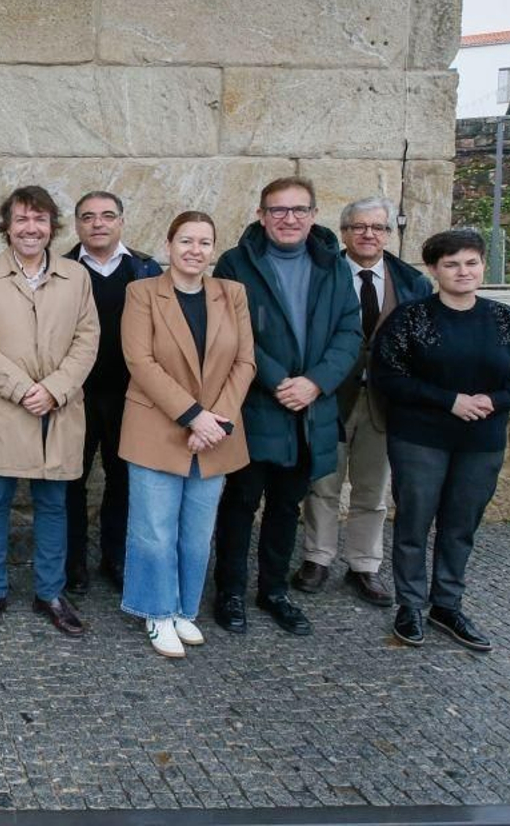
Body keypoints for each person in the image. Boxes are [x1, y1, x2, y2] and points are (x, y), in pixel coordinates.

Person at [373, 228, 510, 652]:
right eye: (451, 264)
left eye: (471, 262)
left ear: (483, 265)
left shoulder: (506, 321)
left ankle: (447, 604)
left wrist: (494, 398)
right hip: (420, 438)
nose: (462, 271)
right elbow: (387, 377)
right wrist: (449, 401)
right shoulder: (411, 319)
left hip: (481, 441)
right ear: (433, 270)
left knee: (461, 525)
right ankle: (410, 604)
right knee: (414, 521)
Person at [210, 177, 361, 637]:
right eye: (278, 210)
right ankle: (230, 591)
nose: (288, 219)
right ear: (261, 215)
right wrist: (278, 380)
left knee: (286, 506)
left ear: (314, 215)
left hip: (310, 410)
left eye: (298, 210)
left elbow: (349, 331)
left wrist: (315, 383)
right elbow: (233, 333)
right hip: (256, 404)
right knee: (239, 504)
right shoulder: (236, 263)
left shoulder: (333, 266)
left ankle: (274, 591)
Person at [0, 186, 99, 637]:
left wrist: (54, 389)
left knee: (53, 505)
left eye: (39, 220)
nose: (30, 228)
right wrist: (23, 389)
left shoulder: (76, 277)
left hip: (57, 409)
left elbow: (87, 338)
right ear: (8, 226)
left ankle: (50, 593)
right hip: (2, 408)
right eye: (21, 220)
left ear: (52, 227)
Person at [118, 212, 256, 658]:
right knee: (154, 530)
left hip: (217, 432)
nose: (195, 251)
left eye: (204, 242)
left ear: (213, 249)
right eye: (186, 241)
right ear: (169, 244)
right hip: (158, 427)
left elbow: (245, 364)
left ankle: (182, 608)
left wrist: (215, 421)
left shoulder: (231, 294)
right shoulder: (142, 293)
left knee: (197, 531)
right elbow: (140, 363)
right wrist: (193, 416)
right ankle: (156, 612)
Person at [292, 197, 432, 607]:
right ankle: (317, 557)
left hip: (385, 402)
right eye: (359, 227)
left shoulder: (411, 282)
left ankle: (364, 565)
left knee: (373, 489)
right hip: (332, 396)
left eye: (378, 227)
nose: (368, 234)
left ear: (389, 233)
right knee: (323, 484)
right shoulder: (320, 274)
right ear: (344, 232)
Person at [61, 190, 163, 594]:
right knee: (71, 478)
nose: (98, 223)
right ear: (77, 225)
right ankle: (73, 563)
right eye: (88, 217)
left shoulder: (144, 269)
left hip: (130, 395)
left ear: (121, 221)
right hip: (75, 395)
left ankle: (115, 556)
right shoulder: (63, 268)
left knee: (123, 479)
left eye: (107, 215)